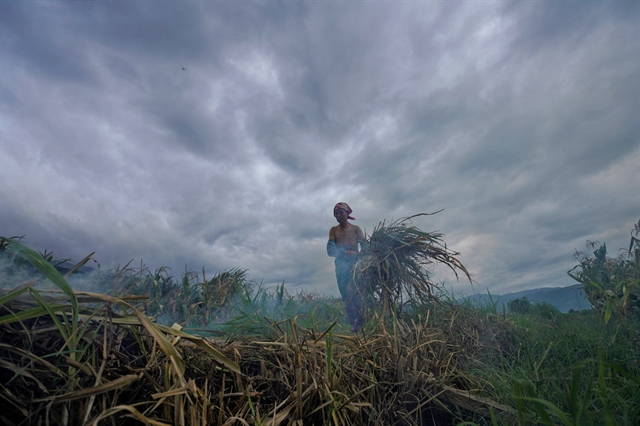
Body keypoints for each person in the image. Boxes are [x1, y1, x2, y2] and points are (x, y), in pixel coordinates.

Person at [327, 202, 365, 331]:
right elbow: (330, 250)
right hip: (341, 266)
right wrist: (345, 253)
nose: (339, 215)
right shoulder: (334, 230)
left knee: (358, 293)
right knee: (346, 296)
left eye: (341, 212)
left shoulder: (356, 229)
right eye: (336, 213)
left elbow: (366, 248)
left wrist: (357, 256)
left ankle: (359, 322)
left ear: (347, 213)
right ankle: (352, 326)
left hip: (356, 266)